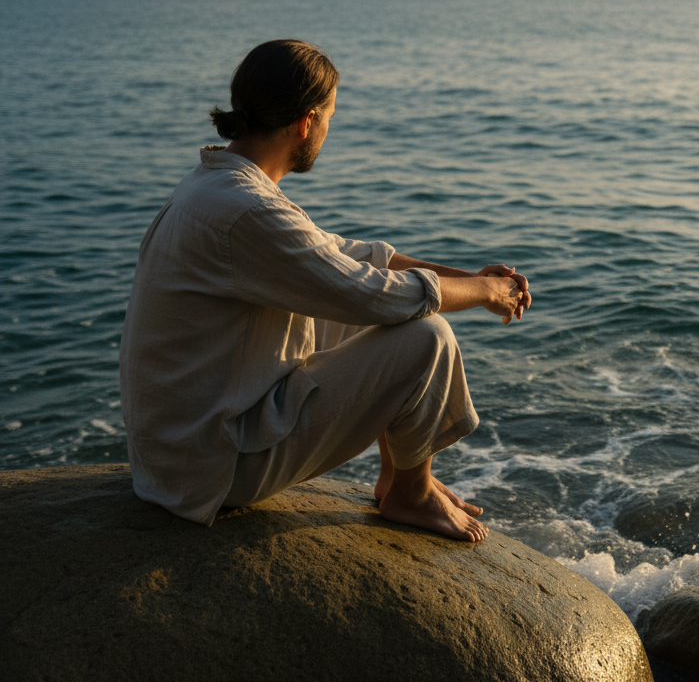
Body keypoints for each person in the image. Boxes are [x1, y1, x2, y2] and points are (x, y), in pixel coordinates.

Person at [120, 39, 529, 543]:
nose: (329, 129)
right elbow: (379, 296)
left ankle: (398, 476)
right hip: (212, 468)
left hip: (181, 450)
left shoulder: (220, 187)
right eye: (331, 116)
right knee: (427, 336)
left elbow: (343, 255)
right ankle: (410, 492)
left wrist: (471, 276)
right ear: (306, 121)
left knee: (370, 305)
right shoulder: (248, 210)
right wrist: (485, 292)